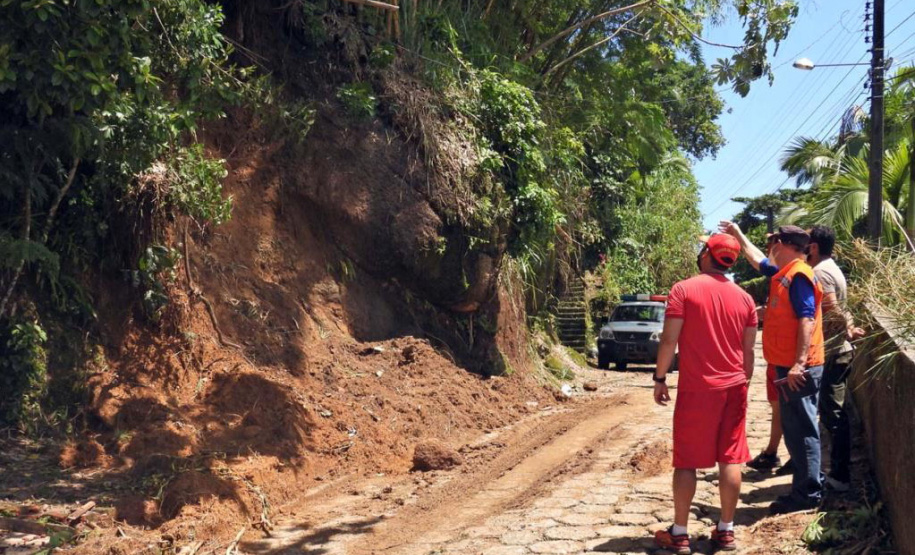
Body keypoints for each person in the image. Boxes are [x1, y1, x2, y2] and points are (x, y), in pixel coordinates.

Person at [653, 233, 758, 553]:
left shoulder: (683, 290)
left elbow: (669, 340)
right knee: (730, 458)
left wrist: (660, 378)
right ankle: (726, 530)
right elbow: (749, 350)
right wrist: (743, 382)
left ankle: (680, 532)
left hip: (697, 388)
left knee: (686, 460)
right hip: (734, 386)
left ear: (706, 255)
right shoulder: (745, 299)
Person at [721, 222, 826, 514]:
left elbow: (807, 320)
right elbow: (757, 260)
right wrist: (738, 235)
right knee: (794, 428)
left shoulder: (799, 276)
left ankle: (808, 494)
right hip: (787, 367)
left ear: (784, 245)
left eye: (774, 243)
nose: (770, 248)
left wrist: (799, 363)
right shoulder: (784, 273)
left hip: (799, 369)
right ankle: (807, 485)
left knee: (802, 429)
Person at [806, 225, 865, 492]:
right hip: (839, 351)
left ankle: (840, 476)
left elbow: (832, 306)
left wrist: (848, 328)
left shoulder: (819, 272)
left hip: (833, 353)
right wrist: (850, 326)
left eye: (806, 243)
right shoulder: (833, 268)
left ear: (814, 247)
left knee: (834, 415)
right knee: (832, 413)